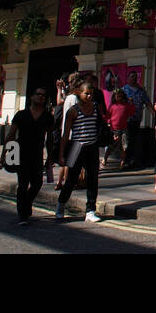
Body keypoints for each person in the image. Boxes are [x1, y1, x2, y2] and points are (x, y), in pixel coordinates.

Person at [0, 87, 53, 225]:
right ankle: (22, 214)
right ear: (32, 97)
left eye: (44, 95)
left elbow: (50, 138)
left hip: (37, 154)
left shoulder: (47, 117)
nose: (41, 97)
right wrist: (2, 156)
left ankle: (27, 203)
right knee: (23, 184)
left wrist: (50, 157)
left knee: (37, 183)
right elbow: (11, 135)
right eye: (38, 94)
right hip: (20, 153)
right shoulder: (21, 114)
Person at [56, 79, 104, 222]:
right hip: (76, 147)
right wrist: (62, 154)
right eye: (86, 93)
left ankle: (90, 210)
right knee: (71, 179)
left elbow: (100, 125)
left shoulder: (95, 108)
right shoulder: (73, 111)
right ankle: (61, 204)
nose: (89, 96)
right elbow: (66, 134)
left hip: (92, 147)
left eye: (91, 94)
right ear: (79, 93)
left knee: (93, 179)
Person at [120, 75, 150, 169]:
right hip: (126, 120)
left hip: (136, 119)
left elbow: (147, 102)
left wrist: (154, 113)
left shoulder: (141, 91)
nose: (134, 79)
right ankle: (125, 160)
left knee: (134, 140)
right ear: (128, 78)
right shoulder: (124, 90)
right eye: (132, 77)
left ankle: (132, 160)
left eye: (135, 77)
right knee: (126, 140)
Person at [102, 84, 134, 170]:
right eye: (117, 96)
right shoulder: (112, 106)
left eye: (120, 96)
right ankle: (105, 158)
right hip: (114, 129)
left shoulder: (126, 105)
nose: (119, 97)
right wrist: (107, 124)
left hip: (124, 129)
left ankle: (122, 162)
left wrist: (131, 104)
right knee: (111, 146)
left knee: (124, 146)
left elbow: (131, 112)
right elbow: (108, 116)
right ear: (114, 97)